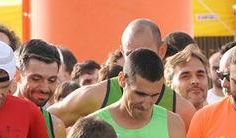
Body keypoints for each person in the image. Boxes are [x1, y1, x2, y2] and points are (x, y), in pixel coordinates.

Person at [49, 19, 196, 130]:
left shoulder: (181, 109)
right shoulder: (97, 95)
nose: (137, 61)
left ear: (161, 51)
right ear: (122, 51)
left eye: (145, 52)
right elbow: (46, 120)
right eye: (130, 54)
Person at [165, 44, 210, 110]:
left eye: (200, 75)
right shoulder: (160, 119)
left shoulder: (220, 117)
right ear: (169, 84)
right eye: (185, 76)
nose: (195, 81)